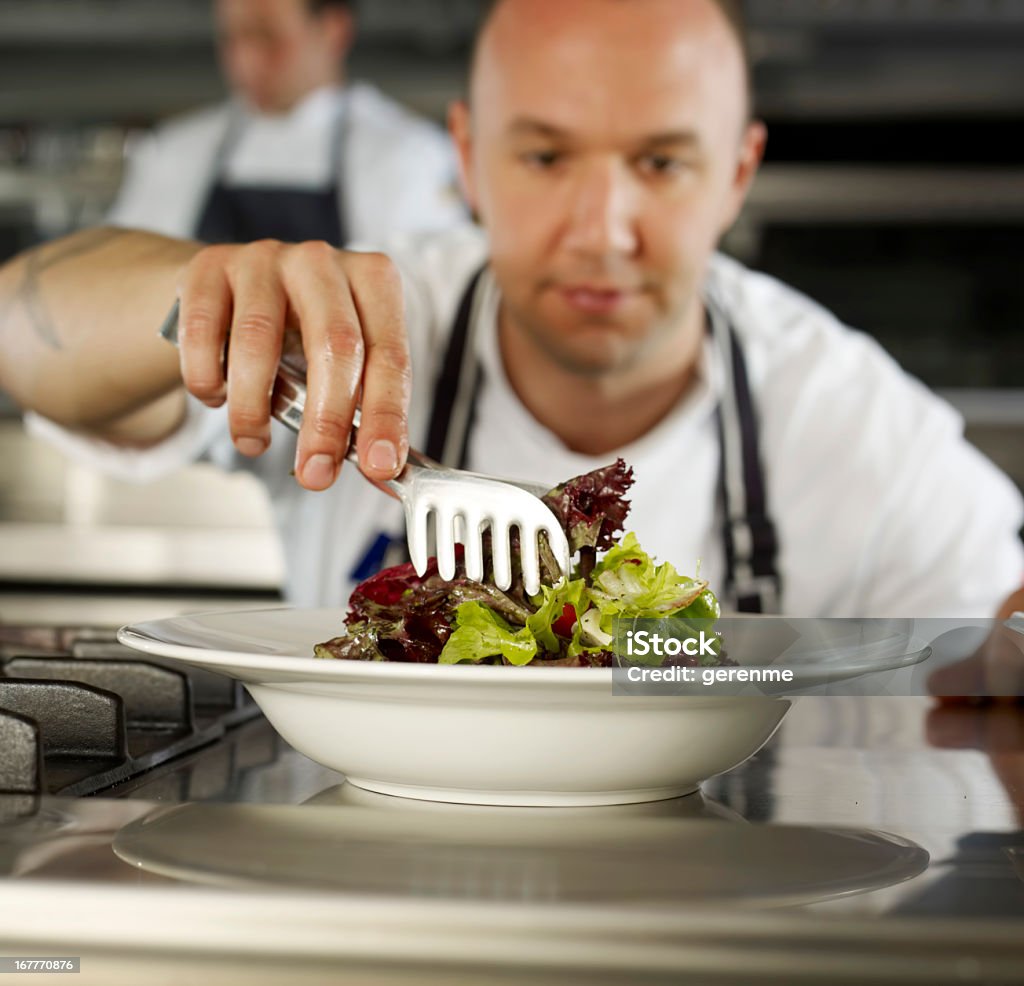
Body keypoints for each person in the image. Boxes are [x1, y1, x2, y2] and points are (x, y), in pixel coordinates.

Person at [0, 0, 1022, 621]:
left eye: (661, 162)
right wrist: (201, 294)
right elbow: (18, 328)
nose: (601, 229)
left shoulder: (846, 417)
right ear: (466, 157)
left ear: (738, 172)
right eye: (543, 156)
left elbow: (993, 626)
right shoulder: (370, 332)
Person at [107, 0, 465, 245]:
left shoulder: (407, 156)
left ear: (333, 29)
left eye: (267, 37)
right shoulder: (176, 152)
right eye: (232, 38)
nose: (245, 61)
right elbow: (119, 273)